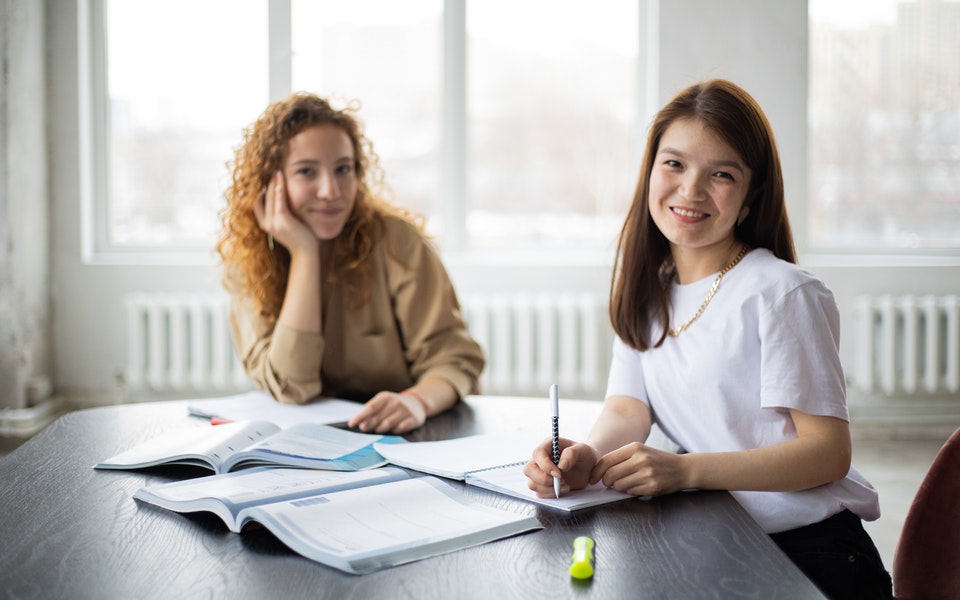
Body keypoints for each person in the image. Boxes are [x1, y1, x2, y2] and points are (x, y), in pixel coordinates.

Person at [523, 79, 892, 598]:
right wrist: (587, 456)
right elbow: (630, 407)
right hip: (717, 536)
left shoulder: (783, 293)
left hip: (810, 553)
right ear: (650, 169)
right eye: (674, 164)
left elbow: (828, 452)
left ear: (749, 196)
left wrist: (684, 471)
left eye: (721, 174)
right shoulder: (649, 286)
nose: (691, 190)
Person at [217, 92, 484, 435]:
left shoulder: (398, 243)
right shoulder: (250, 261)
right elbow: (292, 386)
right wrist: (305, 254)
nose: (330, 190)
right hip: (306, 446)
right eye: (307, 171)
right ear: (272, 182)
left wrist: (415, 401)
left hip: (403, 437)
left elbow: (454, 359)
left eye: (343, 169)